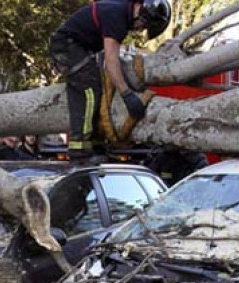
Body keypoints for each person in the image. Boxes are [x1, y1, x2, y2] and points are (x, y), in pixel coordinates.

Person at [49, 0, 171, 164]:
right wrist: (127, 94)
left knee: (97, 85)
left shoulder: (121, 11)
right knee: (89, 89)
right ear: (142, 13)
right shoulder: (117, 18)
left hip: (77, 48)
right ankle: (79, 149)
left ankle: (96, 143)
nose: (141, 29)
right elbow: (111, 61)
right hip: (66, 47)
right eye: (144, 24)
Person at [144, 147, 208, 187]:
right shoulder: (165, 157)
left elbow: (201, 182)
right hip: (165, 194)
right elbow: (150, 175)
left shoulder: (198, 159)